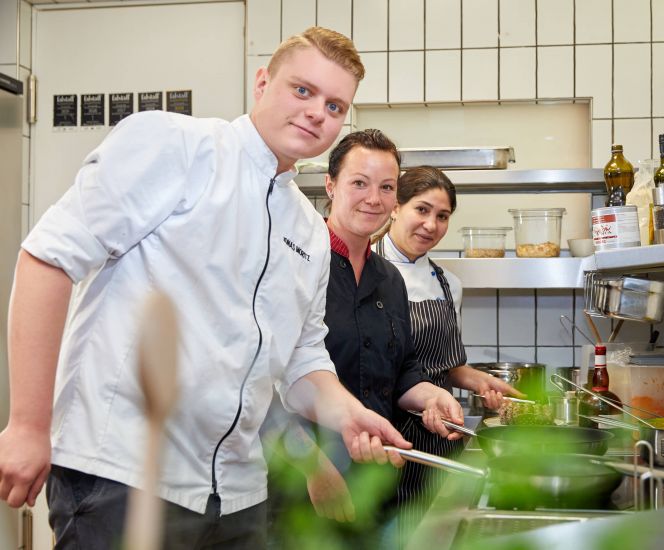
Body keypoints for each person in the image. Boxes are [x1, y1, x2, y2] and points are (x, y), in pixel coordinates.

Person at [0, 27, 411, 549]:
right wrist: (28, 425)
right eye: (302, 91)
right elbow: (48, 259)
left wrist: (349, 413)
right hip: (124, 476)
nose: (316, 113)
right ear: (262, 83)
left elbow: (302, 360)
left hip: (239, 497)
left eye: (334, 105)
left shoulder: (307, 228)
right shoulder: (177, 146)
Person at [266, 131, 465, 548]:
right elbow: (263, 383)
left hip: (374, 480)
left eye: (386, 187)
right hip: (301, 486)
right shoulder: (294, 265)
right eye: (359, 183)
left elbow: (402, 368)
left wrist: (430, 396)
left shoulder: (389, 279)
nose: (373, 198)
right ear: (331, 185)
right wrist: (314, 470)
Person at [374, 165, 522, 537]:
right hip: (385, 439)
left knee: (438, 534)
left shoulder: (447, 284)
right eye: (421, 210)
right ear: (395, 206)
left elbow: (448, 366)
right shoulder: (364, 272)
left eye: (442, 216)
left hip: (441, 435)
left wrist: (483, 382)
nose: (431, 225)